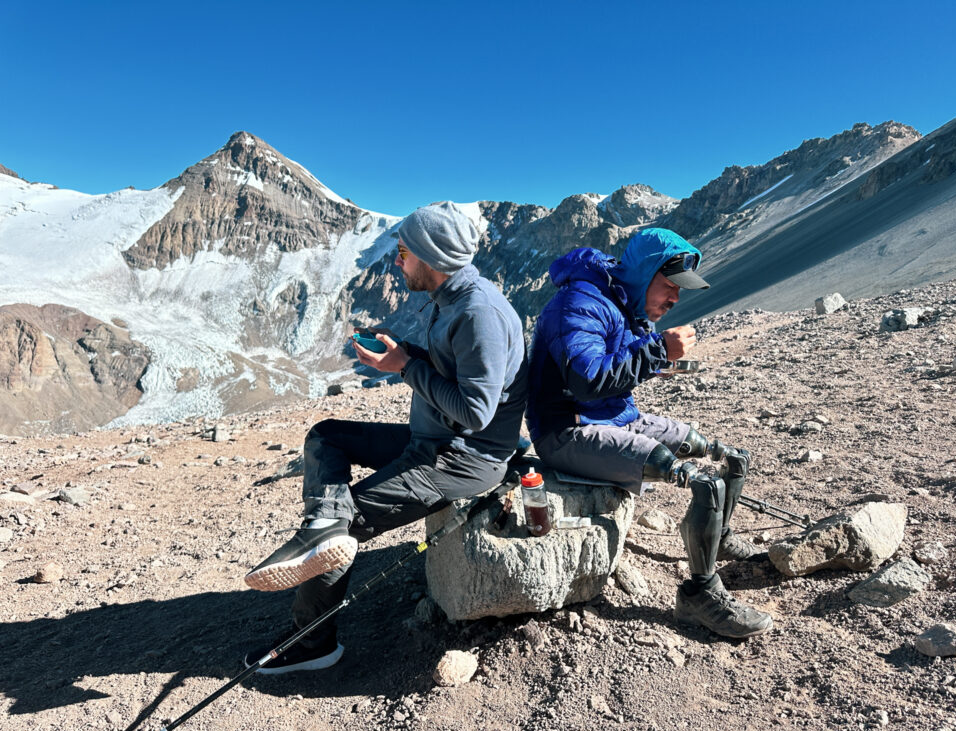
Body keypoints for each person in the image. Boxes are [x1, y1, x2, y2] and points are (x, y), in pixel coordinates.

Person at [244, 201, 528, 672]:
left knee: (343, 526)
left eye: (403, 253)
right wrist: (407, 353)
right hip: (432, 441)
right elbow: (455, 373)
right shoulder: (451, 301)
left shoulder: (479, 314)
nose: (397, 261)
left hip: (461, 459)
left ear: (431, 257)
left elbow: (476, 413)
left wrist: (406, 368)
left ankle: (313, 642)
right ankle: (322, 527)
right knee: (327, 436)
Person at [526, 227, 773, 639]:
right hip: (568, 431)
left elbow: (614, 364)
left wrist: (657, 359)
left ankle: (717, 536)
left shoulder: (624, 303)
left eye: (680, 289)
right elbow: (587, 380)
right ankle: (700, 594)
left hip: (613, 417)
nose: (675, 298)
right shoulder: (578, 302)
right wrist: (658, 350)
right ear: (644, 273)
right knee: (703, 483)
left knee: (728, 455)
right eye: (670, 285)